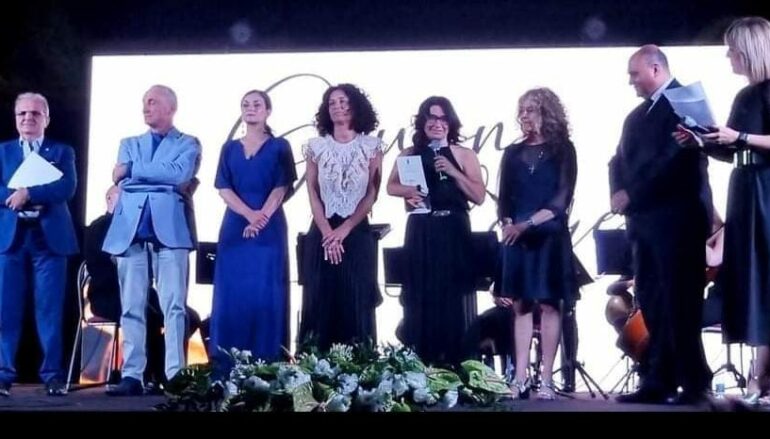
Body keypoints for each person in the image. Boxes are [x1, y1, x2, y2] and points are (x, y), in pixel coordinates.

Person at [674, 16, 770, 405]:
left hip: (766, 189)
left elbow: (747, 140)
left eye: (732, 50)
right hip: (746, 190)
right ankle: (760, 379)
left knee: (765, 275)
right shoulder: (746, 96)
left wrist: (740, 136)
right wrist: (702, 140)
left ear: (749, 50)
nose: (728, 56)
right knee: (755, 278)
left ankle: (759, 379)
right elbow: (733, 149)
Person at [610, 45, 713, 405]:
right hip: (643, 223)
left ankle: (694, 381)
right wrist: (616, 192)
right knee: (652, 300)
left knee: (681, 300)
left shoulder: (687, 102)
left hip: (678, 218)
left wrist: (632, 194)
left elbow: (674, 160)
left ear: (655, 69)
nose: (631, 81)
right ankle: (659, 378)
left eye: (634, 74)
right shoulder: (636, 116)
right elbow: (616, 159)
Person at [102, 84, 202, 396]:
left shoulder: (188, 143)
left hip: (171, 231)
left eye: (153, 102)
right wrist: (155, 179)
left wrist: (133, 171)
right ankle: (132, 375)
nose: (146, 107)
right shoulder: (129, 143)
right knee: (131, 306)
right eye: (144, 102)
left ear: (171, 108)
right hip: (130, 232)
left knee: (174, 307)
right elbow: (124, 182)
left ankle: (175, 375)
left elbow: (179, 175)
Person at [387, 96, 485, 366]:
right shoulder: (409, 153)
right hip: (421, 230)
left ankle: (456, 364)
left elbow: (478, 195)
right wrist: (407, 191)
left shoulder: (464, 154)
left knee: (452, 297)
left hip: (453, 230)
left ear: (450, 123)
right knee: (420, 297)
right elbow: (390, 186)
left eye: (442, 118)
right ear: (423, 121)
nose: (437, 124)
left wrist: (454, 171)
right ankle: (421, 364)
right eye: (431, 118)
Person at [496, 88, 577, 400]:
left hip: (548, 234)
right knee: (521, 305)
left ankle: (546, 380)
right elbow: (504, 197)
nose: (524, 116)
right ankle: (519, 378)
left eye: (531, 109)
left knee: (549, 303)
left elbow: (561, 199)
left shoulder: (563, 150)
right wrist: (508, 224)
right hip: (517, 238)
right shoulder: (512, 153)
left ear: (547, 112)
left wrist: (527, 224)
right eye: (522, 110)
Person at [209, 90, 296, 375]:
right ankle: (227, 367)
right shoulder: (229, 148)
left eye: (257, 104)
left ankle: (266, 366)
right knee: (232, 294)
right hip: (234, 228)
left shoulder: (280, 146)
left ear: (268, 111)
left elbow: (281, 187)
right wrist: (249, 215)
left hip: (269, 228)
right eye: (245, 104)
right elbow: (223, 187)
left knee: (265, 292)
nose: (251, 108)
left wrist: (261, 218)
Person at [83, 186, 201, 392]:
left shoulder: (137, 229)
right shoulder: (99, 228)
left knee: (189, 316)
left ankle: (166, 369)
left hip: (145, 294)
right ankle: (147, 374)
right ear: (110, 199)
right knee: (147, 317)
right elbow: (100, 264)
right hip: (107, 294)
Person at [0, 92, 78, 397]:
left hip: (50, 241)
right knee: (6, 310)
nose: (28, 118)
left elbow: (66, 186)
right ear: (15, 118)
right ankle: (3, 375)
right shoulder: (3, 151)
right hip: (11, 239)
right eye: (22, 113)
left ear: (46, 118)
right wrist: (14, 196)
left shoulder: (61, 151)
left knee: (50, 311)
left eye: (35, 113)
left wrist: (29, 193)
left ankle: (53, 375)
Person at [298, 83, 384, 351]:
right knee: (319, 300)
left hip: (356, 232)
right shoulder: (316, 146)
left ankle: (360, 364)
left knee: (356, 300)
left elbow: (372, 192)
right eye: (332, 102)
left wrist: (345, 229)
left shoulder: (372, 146)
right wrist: (328, 233)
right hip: (322, 232)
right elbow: (312, 192)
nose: (337, 107)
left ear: (355, 106)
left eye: (343, 101)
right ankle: (314, 365)